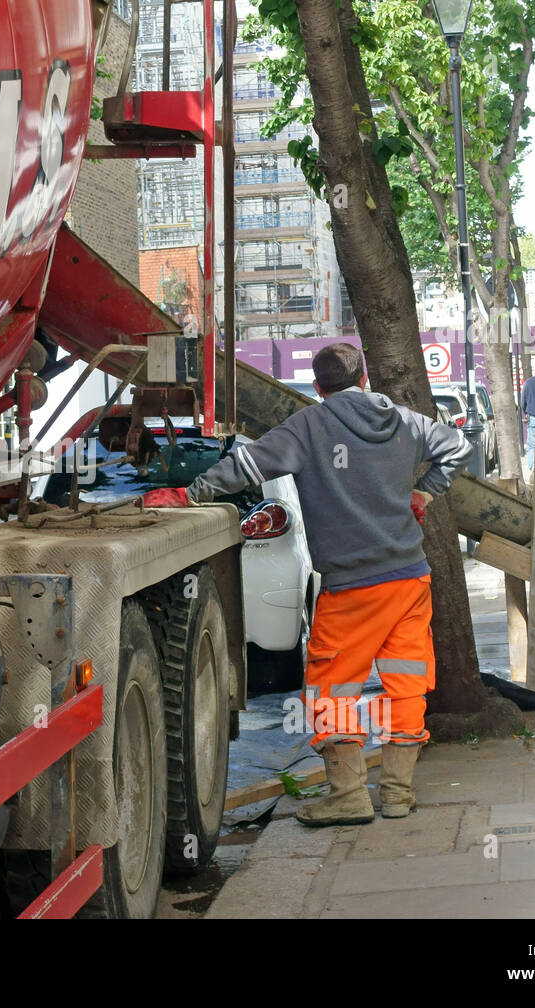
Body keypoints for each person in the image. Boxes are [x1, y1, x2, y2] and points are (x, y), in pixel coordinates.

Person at [143, 343, 472, 826]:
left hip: (351, 586)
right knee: (405, 684)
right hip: (409, 579)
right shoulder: (404, 421)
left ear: (318, 388)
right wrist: (425, 491)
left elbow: (247, 467)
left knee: (332, 690)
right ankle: (398, 794)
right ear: (364, 378)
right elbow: (459, 449)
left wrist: (190, 493)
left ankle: (349, 796)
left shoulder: (310, 425)